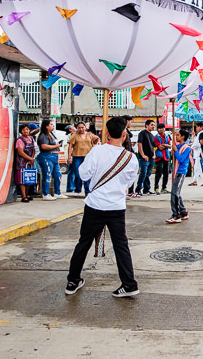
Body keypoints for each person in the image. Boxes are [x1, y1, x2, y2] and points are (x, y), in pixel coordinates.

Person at [65, 116, 140, 298]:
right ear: (124, 134)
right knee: (121, 245)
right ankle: (129, 284)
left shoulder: (97, 151)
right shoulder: (131, 158)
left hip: (95, 204)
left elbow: (83, 175)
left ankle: (73, 280)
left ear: (107, 133)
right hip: (116, 206)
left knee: (84, 242)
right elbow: (129, 183)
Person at [166, 129, 192, 224]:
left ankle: (176, 215)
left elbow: (181, 159)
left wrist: (176, 151)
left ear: (183, 137)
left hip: (180, 172)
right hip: (176, 172)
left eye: (178, 135)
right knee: (177, 192)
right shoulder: (177, 146)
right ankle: (183, 211)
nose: (176, 137)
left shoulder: (187, 148)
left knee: (174, 193)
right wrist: (173, 151)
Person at [67, 122, 98, 198]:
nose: (81, 129)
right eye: (79, 127)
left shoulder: (89, 134)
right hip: (77, 157)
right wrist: (69, 157)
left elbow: (96, 139)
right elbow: (70, 146)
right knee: (78, 174)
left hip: (87, 157)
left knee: (88, 174)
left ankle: (88, 191)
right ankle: (77, 190)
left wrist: (95, 142)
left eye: (82, 127)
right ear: (77, 128)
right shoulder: (74, 135)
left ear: (85, 127)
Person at [37, 119, 65, 201]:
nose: (53, 126)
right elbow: (44, 146)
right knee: (47, 175)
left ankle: (57, 192)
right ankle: (45, 193)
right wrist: (56, 146)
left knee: (58, 175)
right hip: (47, 156)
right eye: (51, 124)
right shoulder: (43, 135)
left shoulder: (52, 134)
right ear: (46, 126)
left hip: (54, 156)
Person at [134, 119, 156, 196]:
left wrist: (154, 155)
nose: (153, 126)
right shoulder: (142, 133)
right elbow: (139, 144)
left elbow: (153, 146)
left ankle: (146, 189)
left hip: (151, 158)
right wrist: (143, 155)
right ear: (147, 125)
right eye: (152, 125)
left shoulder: (152, 135)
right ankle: (138, 189)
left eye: (154, 125)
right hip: (144, 158)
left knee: (148, 174)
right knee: (143, 173)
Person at [15, 124, 35, 202]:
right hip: (21, 163)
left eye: (27, 129)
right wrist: (30, 158)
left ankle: (26, 194)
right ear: (21, 131)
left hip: (29, 162)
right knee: (22, 180)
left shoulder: (31, 139)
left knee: (29, 179)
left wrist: (32, 159)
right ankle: (23, 196)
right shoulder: (20, 140)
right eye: (23, 130)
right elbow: (21, 152)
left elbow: (33, 149)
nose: (25, 131)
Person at [153, 124, 171, 194]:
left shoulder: (167, 136)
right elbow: (159, 147)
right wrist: (166, 145)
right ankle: (156, 187)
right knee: (159, 173)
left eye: (162, 128)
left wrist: (164, 145)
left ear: (164, 128)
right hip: (159, 157)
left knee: (166, 173)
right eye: (160, 128)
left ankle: (164, 187)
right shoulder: (156, 137)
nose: (161, 129)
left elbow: (170, 146)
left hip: (166, 157)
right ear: (158, 129)